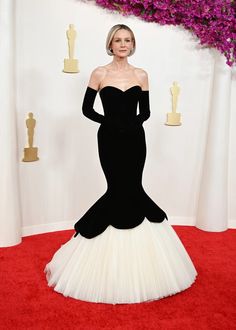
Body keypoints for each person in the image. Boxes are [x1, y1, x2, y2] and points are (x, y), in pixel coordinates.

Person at [45, 24, 197, 304]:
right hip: (109, 139)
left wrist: (133, 123)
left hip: (136, 140)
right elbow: (87, 109)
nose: (123, 44)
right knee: (116, 187)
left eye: (127, 40)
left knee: (133, 186)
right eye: (118, 40)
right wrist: (110, 122)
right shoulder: (99, 73)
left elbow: (147, 111)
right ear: (110, 44)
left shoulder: (141, 74)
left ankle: (141, 262)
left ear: (132, 44)